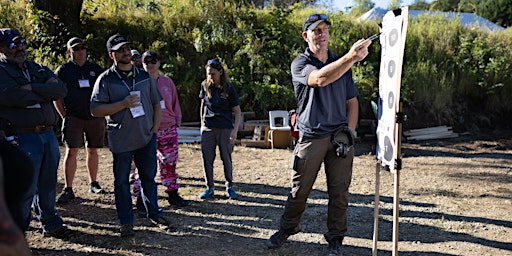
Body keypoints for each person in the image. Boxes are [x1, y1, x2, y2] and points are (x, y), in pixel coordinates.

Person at [266, 14, 371, 256]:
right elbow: (321, 79)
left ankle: (335, 238)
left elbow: (352, 101)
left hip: (339, 137)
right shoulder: (300, 63)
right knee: (299, 190)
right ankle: (287, 228)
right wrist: (351, 57)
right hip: (311, 136)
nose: (321, 34)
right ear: (306, 36)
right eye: (316, 30)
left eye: (324, 29)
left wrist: (351, 132)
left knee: (339, 192)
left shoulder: (341, 63)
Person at [90, 34, 168, 237]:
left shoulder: (143, 76)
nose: (125, 52)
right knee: (122, 182)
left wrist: (154, 130)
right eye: (120, 50)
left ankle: (154, 213)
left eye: (127, 48)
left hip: (145, 138)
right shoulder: (105, 80)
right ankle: (126, 222)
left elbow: (155, 103)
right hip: (121, 140)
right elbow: (95, 110)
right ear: (111, 55)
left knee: (148, 178)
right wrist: (122, 104)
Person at [0, 28, 71, 238]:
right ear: (1, 48)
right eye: (13, 45)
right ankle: (18, 231)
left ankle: (50, 222)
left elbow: (61, 90)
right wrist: (43, 90)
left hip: (48, 134)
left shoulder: (36, 68)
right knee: (25, 187)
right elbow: (12, 97)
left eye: (21, 42)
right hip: (22, 137)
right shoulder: (1, 71)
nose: (19, 47)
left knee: (48, 184)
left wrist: (31, 88)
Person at [132, 50, 188, 207]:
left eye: (153, 61)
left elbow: (175, 102)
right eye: (146, 61)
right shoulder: (138, 82)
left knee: (169, 162)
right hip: (146, 130)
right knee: (143, 165)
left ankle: (172, 193)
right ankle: (141, 198)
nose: (150, 64)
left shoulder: (167, 82)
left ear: (159, 62)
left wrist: (177, 120)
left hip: (168, 128)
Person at [54, 37, 106, 204]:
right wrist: (65, 115)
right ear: (70, 51)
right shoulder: (63, 70)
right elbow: (56, 95)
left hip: (94, 117)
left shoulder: (95, 69)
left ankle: (93, 182)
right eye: (76, 48)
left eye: (83, 48)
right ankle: (68, 188)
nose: (80, 51)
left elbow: (105, 91)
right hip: (74, 117)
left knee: (92, 150)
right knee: (71, 151)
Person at [198, 59, 241, 199]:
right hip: (208, 127)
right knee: (207, 158)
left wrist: (234, 131)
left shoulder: (228, 88)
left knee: (226, 158)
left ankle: (229, 186)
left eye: (213, 74)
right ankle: (209, 187)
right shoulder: (205, 86)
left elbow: (237, 111)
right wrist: (202, 125)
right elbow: (202, 105)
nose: (211, 76)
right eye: (208, 74)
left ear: (220, 72)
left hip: (225, 127)